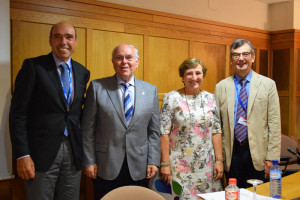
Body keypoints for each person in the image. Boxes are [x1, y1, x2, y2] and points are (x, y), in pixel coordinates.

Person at [9, 22, 90, 200]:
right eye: (57, 36)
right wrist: (23, 154)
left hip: (73, 152)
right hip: (39, 154)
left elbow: (77, 114)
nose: (63, 41)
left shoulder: (82, 72)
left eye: (69, 37)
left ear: (75, 42)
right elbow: (18, 114)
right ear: (50, 41)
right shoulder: (33, 67)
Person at [82, 43, 161, 200]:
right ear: (113, 61)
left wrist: (153, 160)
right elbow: (87, 129)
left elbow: (154, 131)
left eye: (129, 57)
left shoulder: (150, 90)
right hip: (105, 165)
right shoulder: (97, 87)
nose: (124, 61)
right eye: (119, 58)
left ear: (137, 61)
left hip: (139, 166)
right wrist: (89, 161)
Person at [214, 39, 281, 188]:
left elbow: (275, 125)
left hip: (259, 155)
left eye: (245, 54)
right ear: (231, 59)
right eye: (236, 55)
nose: (241, 59)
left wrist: (272, 159)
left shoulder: (268, 85)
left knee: (258, 196)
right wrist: (219, 158)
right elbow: (216, 126)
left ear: (253, 57)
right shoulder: (221, 87)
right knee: (233, 195)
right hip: (231, 154)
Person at [160, 58, 223, 199]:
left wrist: (219, 160)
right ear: (182, 76)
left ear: (203, 75)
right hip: (179, 166)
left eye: (198, 73)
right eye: (189, 73)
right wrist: (165, 164)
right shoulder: (171, 98)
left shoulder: (210, 98)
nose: (194, 77)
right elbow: (163, 133)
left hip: (206, 165)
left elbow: (216, 131)